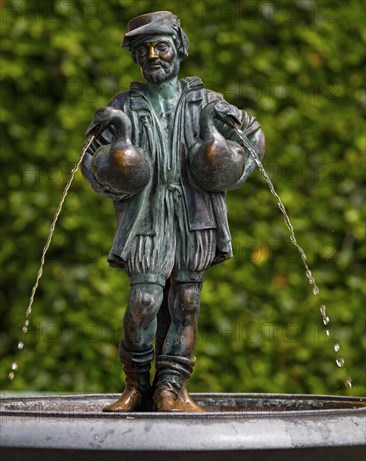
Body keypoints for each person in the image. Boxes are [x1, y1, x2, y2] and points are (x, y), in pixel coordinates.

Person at [81, 11, 265, 412]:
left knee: (186, 303)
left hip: (194, 217)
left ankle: (171, 388)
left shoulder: (207, 102)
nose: (153, 55)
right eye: (143, 49)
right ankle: (135, 384)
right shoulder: (123, 107)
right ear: (135, 58)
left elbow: (252, 135)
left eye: (161, 45)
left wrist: (234, 172)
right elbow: (91, 157)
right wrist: (107, 174)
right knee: (144, 302)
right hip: (146, 221)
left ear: (179, 47)